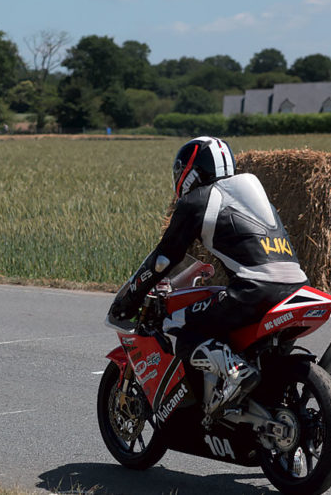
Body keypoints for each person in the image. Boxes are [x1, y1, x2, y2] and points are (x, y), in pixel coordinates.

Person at [107, 136, 308, 422]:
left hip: (255, 290)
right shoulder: (250, 195)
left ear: (191, 170)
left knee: (176, 325)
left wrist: (129, 299)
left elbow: (164, 259)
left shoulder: (197, 200)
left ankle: (235, 373)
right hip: (297, 286)